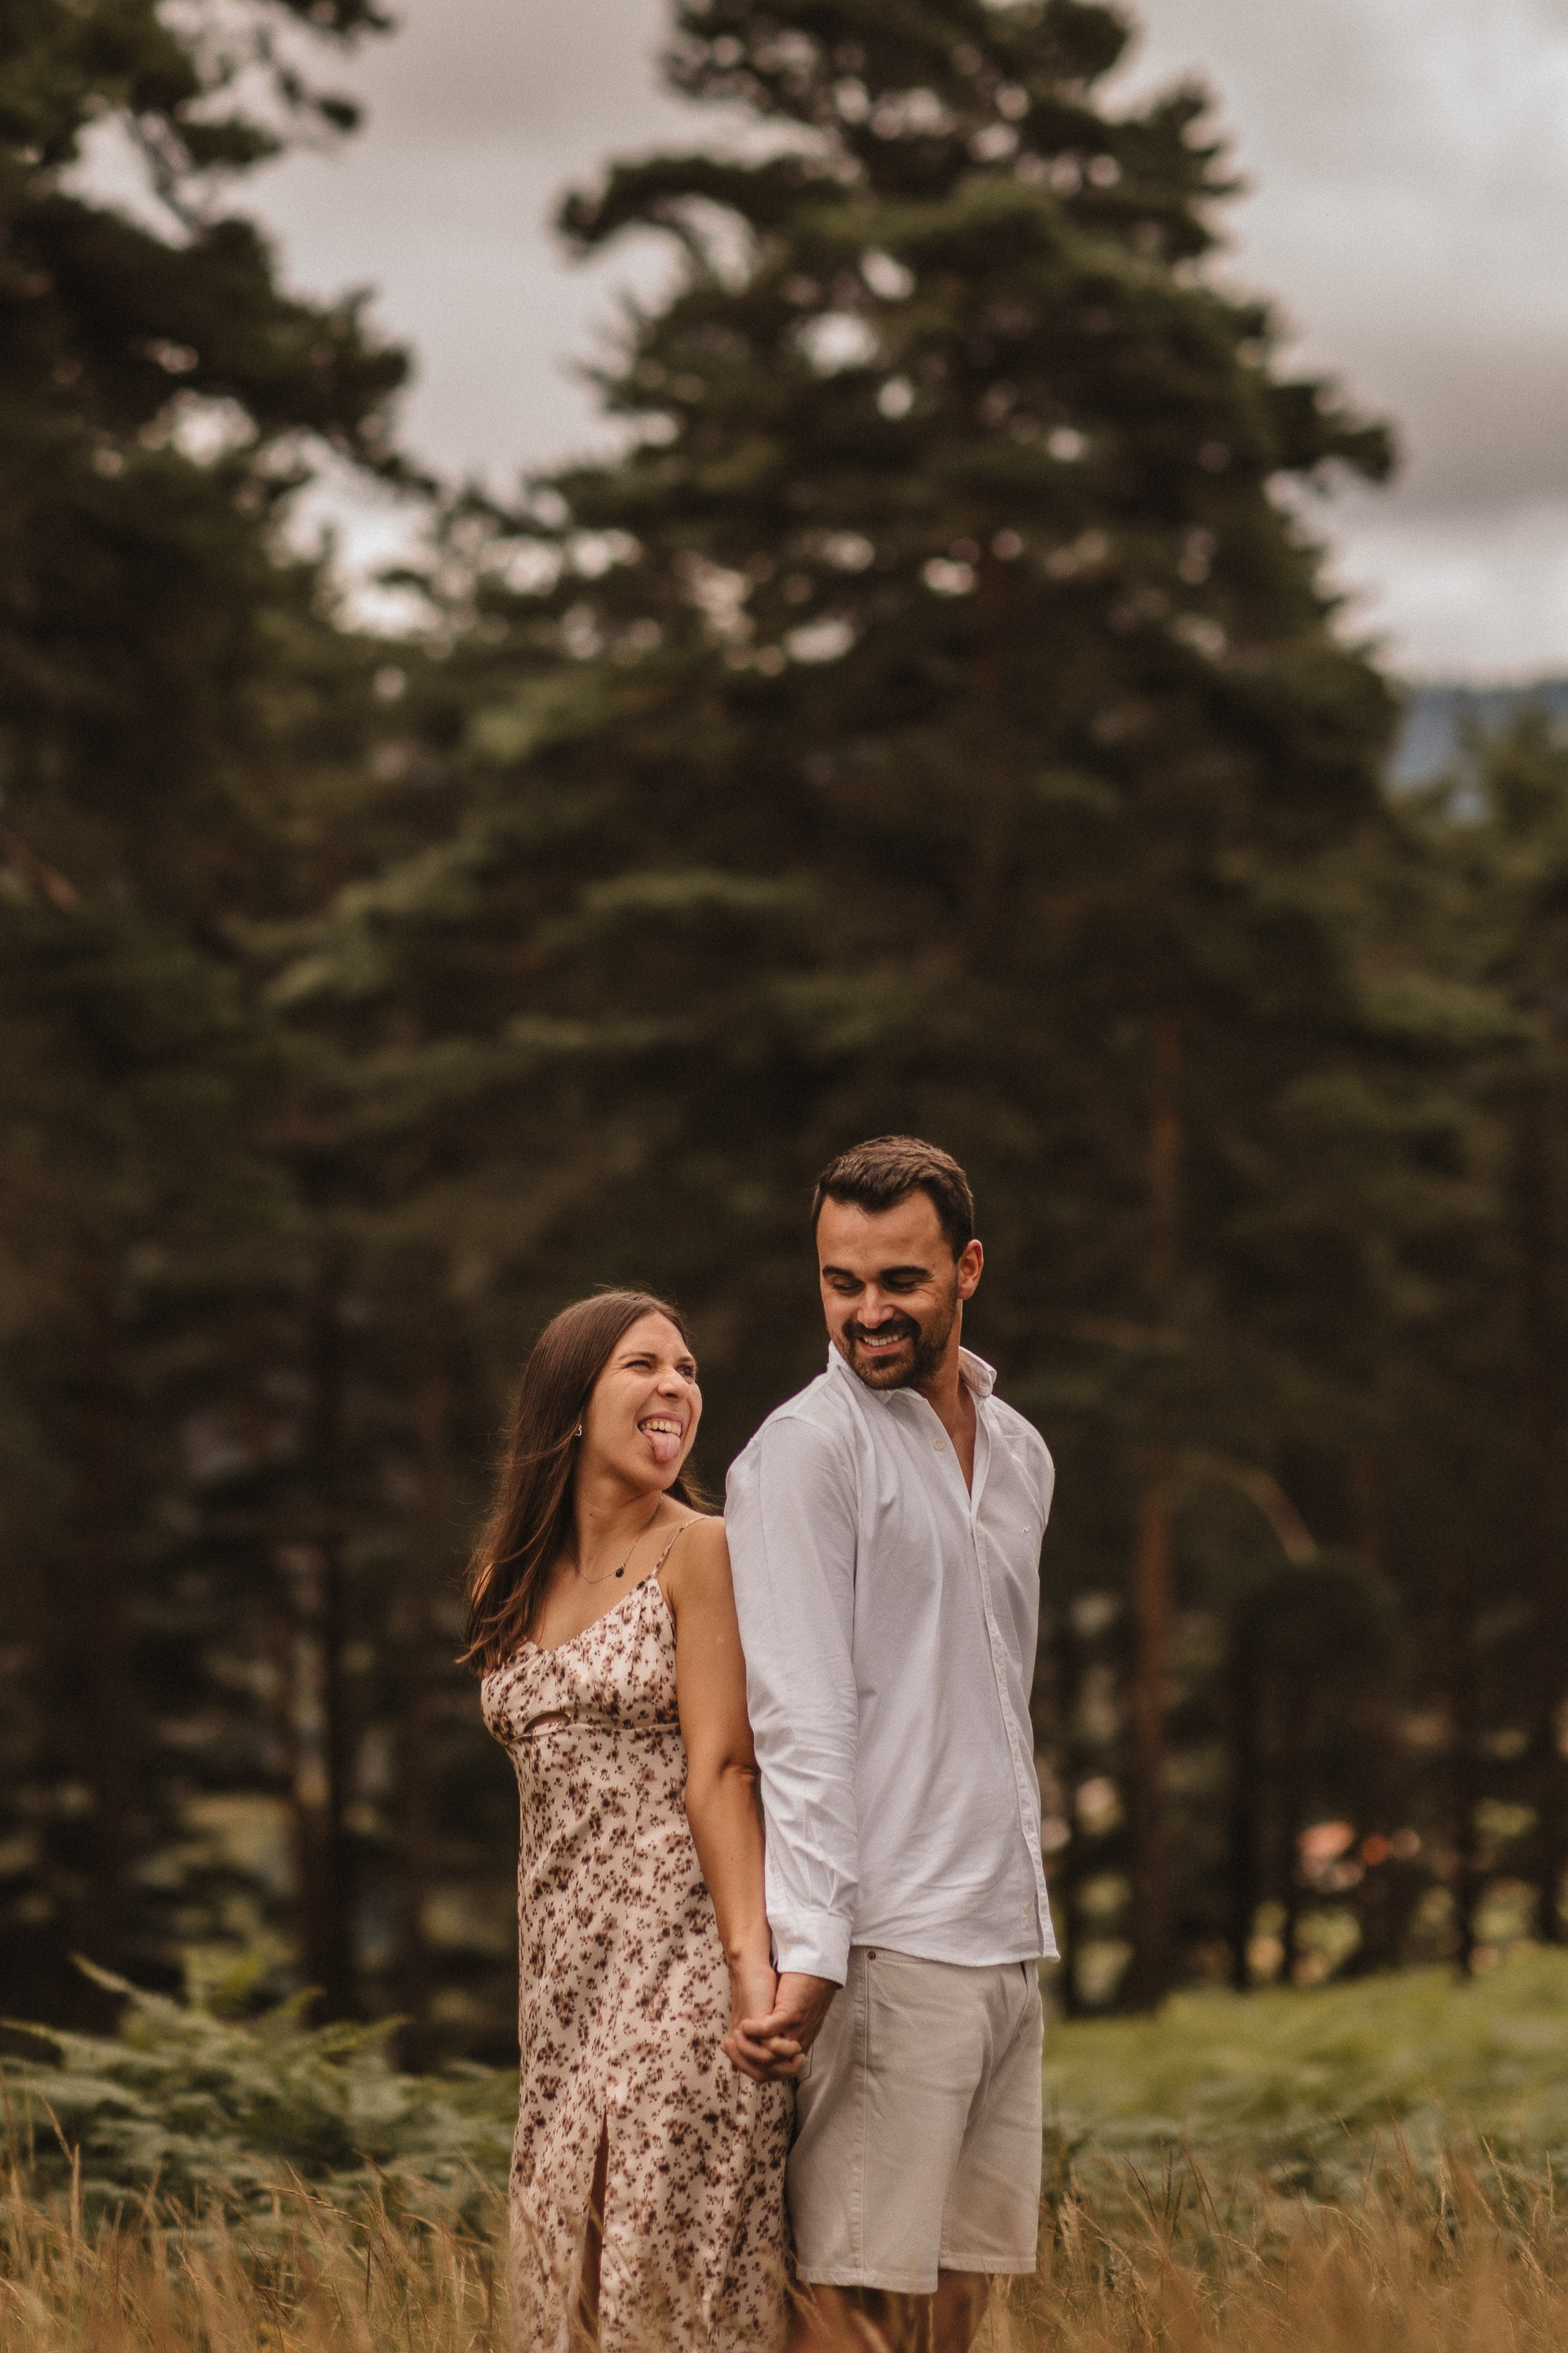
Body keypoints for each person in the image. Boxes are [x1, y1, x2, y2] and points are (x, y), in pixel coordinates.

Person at [725, 1137, 1057, 2353]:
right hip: (882, 1944)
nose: (867, 1311)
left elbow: (988, 1696)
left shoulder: (1021, 1455)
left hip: (1006, 1940)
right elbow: (798, 1722)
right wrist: (809, 1953)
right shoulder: (803, 1454)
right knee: (852, 2310)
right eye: (839, 1280)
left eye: (900, 1280)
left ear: (967, 1267)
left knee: (960, 2311)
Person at [466, 1290, 793, 2353]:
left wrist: (751, 1971)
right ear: (568, 1405)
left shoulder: (700, 1550)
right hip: (562, 1986)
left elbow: (726, 1765)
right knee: (564, 2283)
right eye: (643, 1365)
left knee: (665, 2279)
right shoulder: (507, 1580)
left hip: (683, 1961)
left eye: (688, 1369)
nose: (676, 1387)